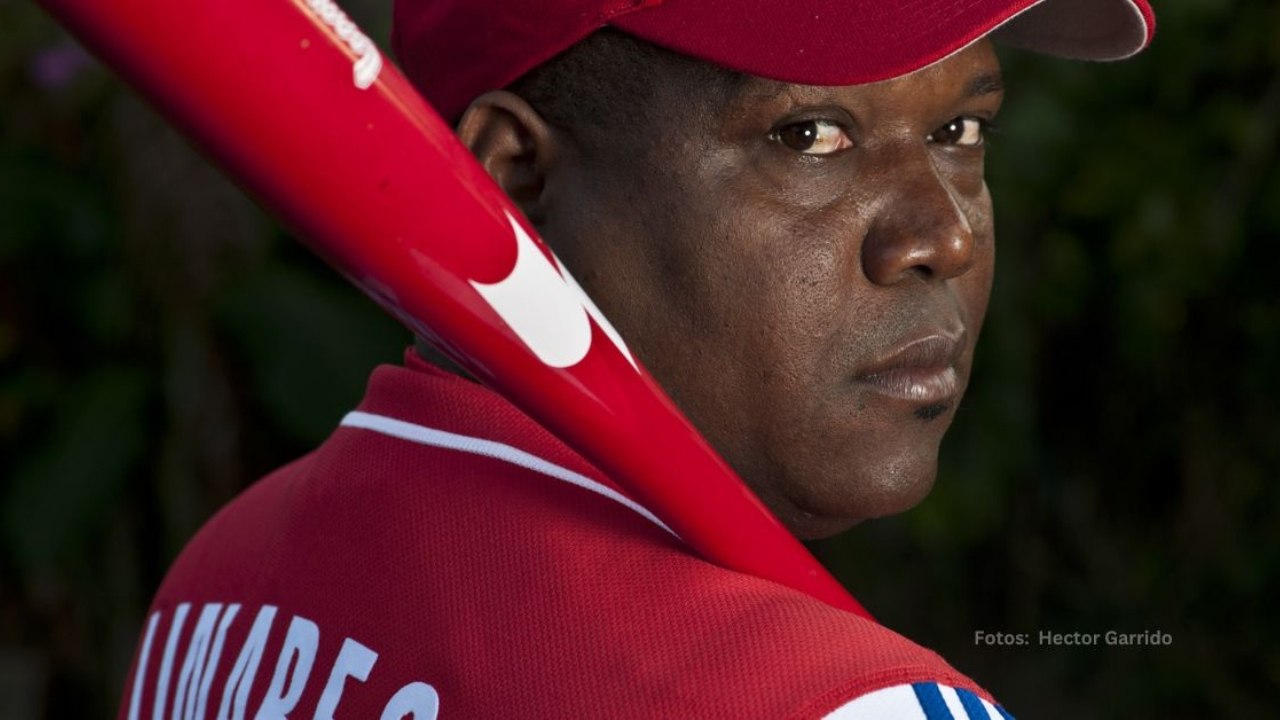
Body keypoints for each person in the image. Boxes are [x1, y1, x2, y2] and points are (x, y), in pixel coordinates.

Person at [117, 1, 1154, 718]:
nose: (940, 236)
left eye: (960, 128)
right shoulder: (838, 703)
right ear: (510, 177)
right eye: (806, 136)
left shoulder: (219, 591)